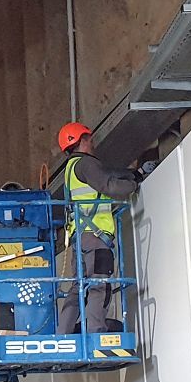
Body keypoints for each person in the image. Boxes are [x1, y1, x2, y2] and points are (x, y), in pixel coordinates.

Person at [54, 122, 141, 336]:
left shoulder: (71, 170)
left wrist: (131, 174)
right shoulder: (86, 163)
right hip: (95, 236)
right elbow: (108, 185)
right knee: (99, 284)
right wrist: (134, 185)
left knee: (78, 288)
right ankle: (97, 333)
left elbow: (106, 176)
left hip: (80, 238)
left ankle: (63, 334)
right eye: (89, 139)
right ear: (82, 140)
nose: (92, 143)